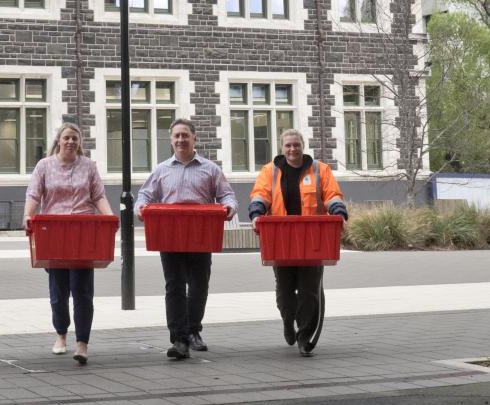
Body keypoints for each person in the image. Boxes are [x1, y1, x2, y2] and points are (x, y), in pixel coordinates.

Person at [135, 118, 237, 360]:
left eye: (185, 135)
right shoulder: (161, 170)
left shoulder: (210, 169)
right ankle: (179, 339)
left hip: (202, 233)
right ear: (171, 140)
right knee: (175, 286)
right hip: (169, 234)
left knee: (199, 285)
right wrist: (141, 208)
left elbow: (227, 196)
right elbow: (144, 195)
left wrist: (229, 208)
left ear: (194, 139)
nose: (181, 139)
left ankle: (193, 331)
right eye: (177, 136)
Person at [247, 128, 348, 356]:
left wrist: (339, 212)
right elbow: (260, 195)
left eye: (296, 145)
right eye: (288, 145)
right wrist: (256, 214)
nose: (292, 149)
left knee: (309, 291)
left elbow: (332, 195)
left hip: (312, 238)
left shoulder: (320, 170)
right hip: (281, 239)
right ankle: (288, 320)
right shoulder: (270, 171)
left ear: (303, 146)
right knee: (284, 292)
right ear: (282, 148)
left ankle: (304, 337)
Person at [23, 123, 114, 366]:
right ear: (59, 140)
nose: (71, 142)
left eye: (75, 138)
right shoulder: (44, 166)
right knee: (58, 291)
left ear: (79, 142)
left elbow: (98, 195)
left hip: (83, 232)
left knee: (82, 291)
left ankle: (82, 343)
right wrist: (28, 216)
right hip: (54, 233)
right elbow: (34, 194)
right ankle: (61, 333)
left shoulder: (89, 166)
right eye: (67, 138)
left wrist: (109, 218)